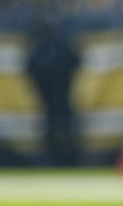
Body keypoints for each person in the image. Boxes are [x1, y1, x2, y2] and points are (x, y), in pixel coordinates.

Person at [25, 16, 82, 167]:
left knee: (60, 128)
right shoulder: (55, 49)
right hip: (53, 98)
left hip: (57, 97)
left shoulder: (49, 50)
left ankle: (63, 160)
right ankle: (56, 160)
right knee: (54, 128)